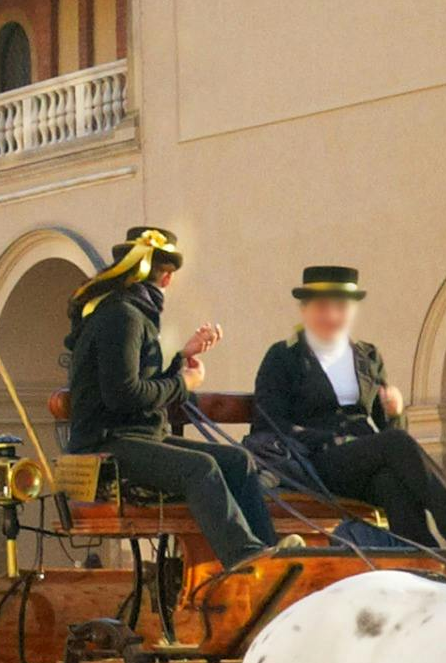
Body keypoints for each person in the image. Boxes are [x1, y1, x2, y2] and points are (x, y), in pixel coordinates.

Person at [246, 265, 446, 553]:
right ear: (305, 310)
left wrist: (394, 414)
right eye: (322, 307)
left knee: (390, 482)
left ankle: (424, 557)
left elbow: (388, 432)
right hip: (313, 462)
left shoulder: (367, 355)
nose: (332, 316)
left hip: (361, 459)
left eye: (341, 307)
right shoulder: (283, 356)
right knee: (396, 444)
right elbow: (270, 425)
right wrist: (333, 440)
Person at [63, 228, 289, 567]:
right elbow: (123, 395)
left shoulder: (130, 312)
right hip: (105, 446)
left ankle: (271, 559)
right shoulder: (122, 316)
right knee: (201, 469)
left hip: (136, 437)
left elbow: (141, 385)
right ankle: (245, 560)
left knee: (237, 461)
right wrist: (184, 383)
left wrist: (183, 358)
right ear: (166, 277)